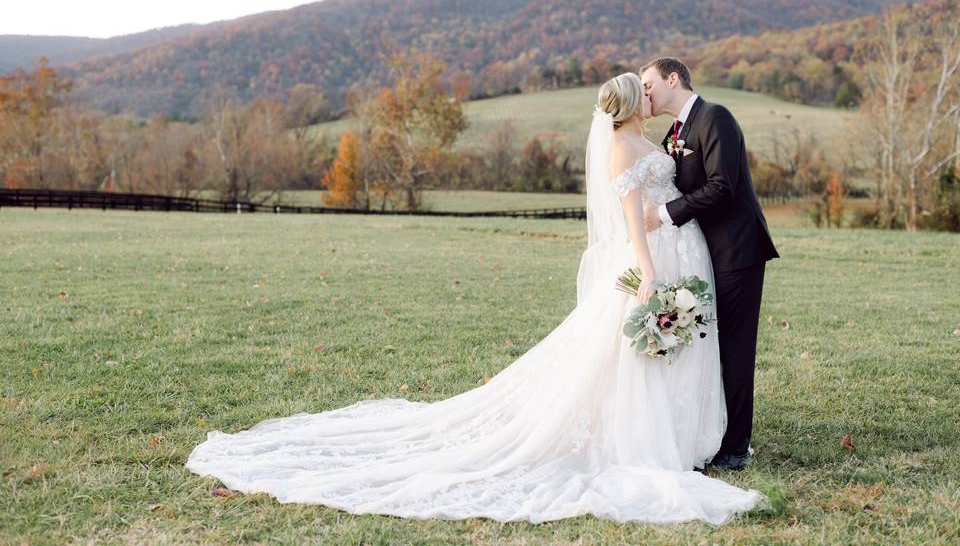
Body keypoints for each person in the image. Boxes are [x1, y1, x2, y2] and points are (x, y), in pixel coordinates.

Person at [185, 72, 765, 525]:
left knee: (679, 348)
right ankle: (655, 439)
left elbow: (693, 183)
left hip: (686, 251)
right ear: (628, 103)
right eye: (640, 89)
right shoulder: (621, 147)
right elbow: (632, 214)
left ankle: (693, 436)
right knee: (640, 353)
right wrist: (645, 268)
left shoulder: (658, 135)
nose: (647, 93)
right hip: (654, 258)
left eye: (648, 85)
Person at [639, 58, 779, 470]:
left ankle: (735, 447)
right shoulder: (676, 131)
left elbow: (722, 187)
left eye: (648, 84)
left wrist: (663, 215)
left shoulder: (715, 117)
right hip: (702, 253)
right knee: (709, 345)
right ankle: (712, 432)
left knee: (734, 348)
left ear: (673, 78)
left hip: (737, 250)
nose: (645, 92)